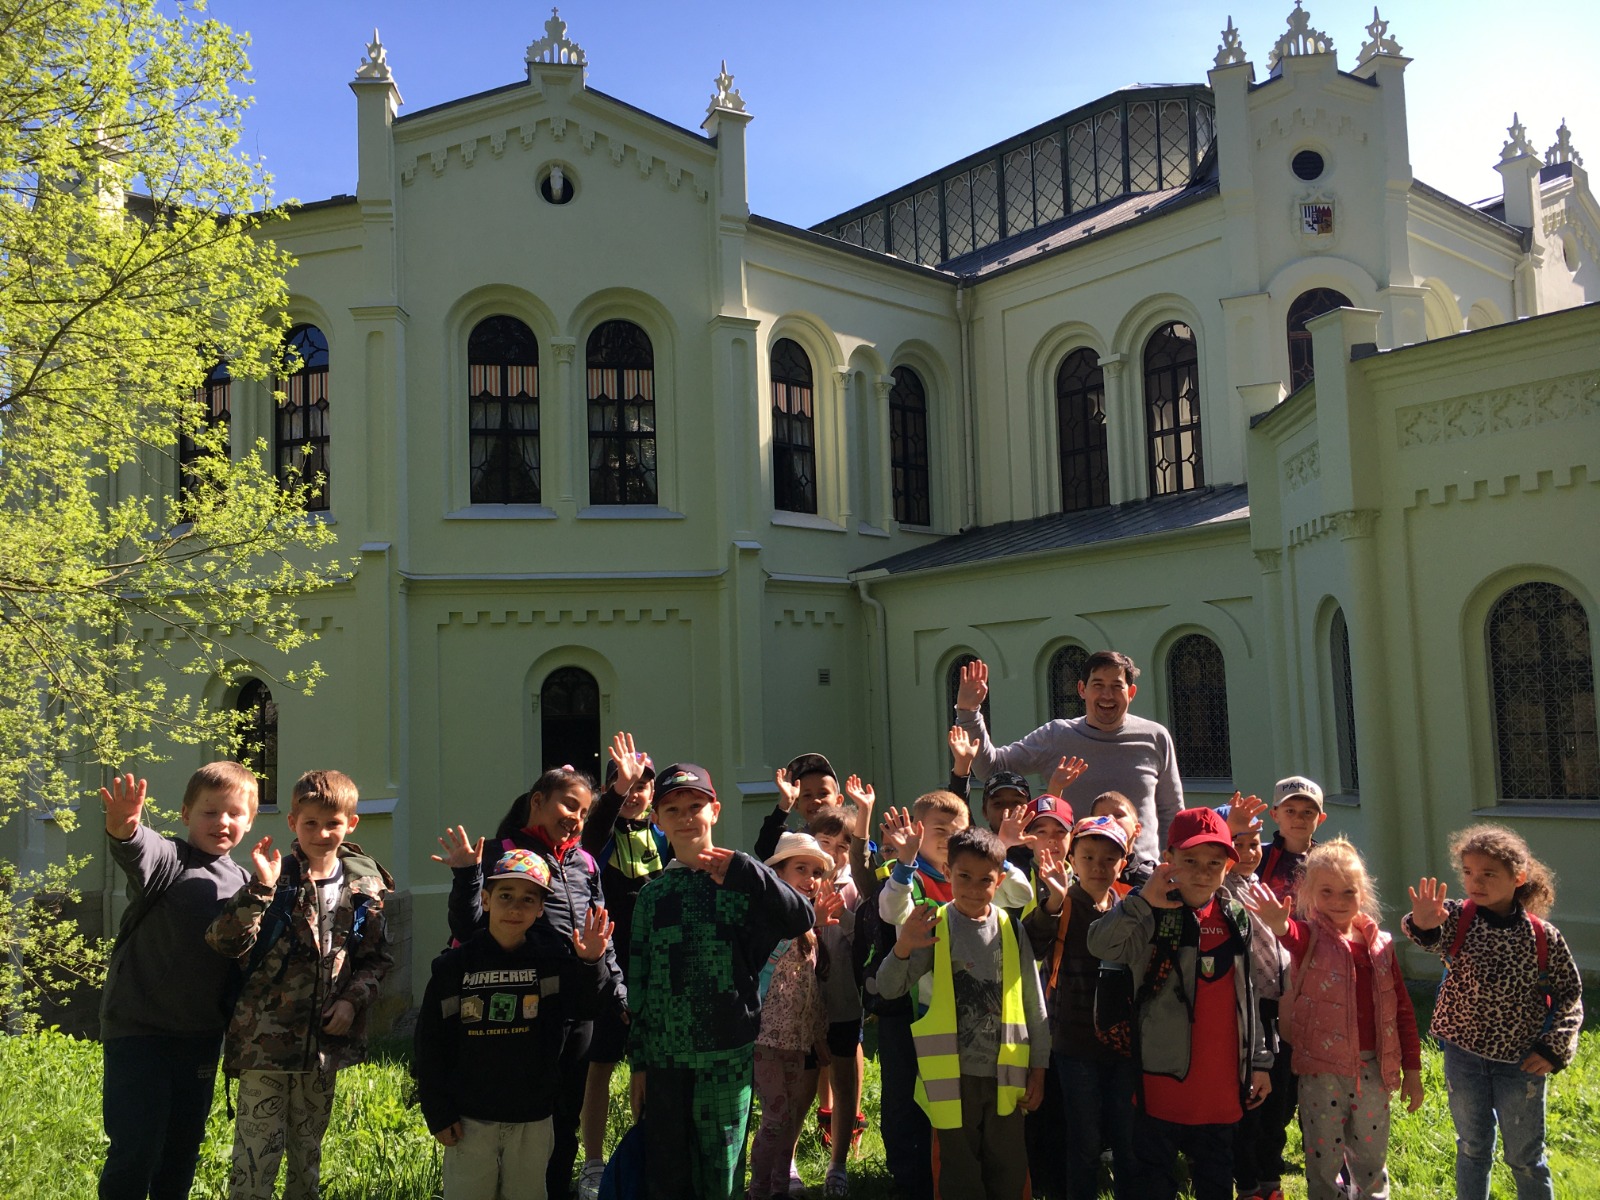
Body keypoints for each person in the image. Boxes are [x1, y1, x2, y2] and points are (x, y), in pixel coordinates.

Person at [438, 761, 628, 1199]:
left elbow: (601, 933)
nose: (576, 818)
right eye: (569, 805)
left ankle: (556, 1190)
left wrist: (616, 989)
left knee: (565, 1117)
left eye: (584, 812)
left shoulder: (585, 863)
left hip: (575, 1008)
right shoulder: (501, 852)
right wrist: (466, 876)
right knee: (519, 1116)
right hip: (519, 1010)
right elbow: (467, 929)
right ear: (537, 801)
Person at [627, 763, 815, 1200]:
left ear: (715, 810)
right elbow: (640, 983)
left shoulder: (742, 880)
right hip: (666, 1060)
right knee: (668, 1173)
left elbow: (800, 917)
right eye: (672, 810)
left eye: (695, 806)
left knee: (722, 1171)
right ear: (656, 820)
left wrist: (746, 870)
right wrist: (639, 1062)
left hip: (726, 1055)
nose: (685, 817)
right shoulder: (653, 896)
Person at [207, 769, 394, 1200]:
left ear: (351, 824)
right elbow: (223, 942)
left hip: (324, 1049)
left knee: (307, 1160)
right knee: (254, 1161)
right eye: (310, 823)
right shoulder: (276, 878)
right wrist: (260, 890)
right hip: (265, 1046)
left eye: (332, 823)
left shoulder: (365, 888)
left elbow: (377, 960)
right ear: (292, 822)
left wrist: (352, 1001)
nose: (322, 833)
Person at [1086, 806, 1272, 1200]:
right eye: (1190, 860)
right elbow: (1100, 944)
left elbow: (1251, 995)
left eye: (1214, 862)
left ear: (1228, 866)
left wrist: (1259, 1062)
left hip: (1220, 1090)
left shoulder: (1235, 916)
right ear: (1167, 858)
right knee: (1153, 1184)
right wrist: (1141, 901)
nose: (1203, 872)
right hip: (1159, 1086)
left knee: (1216, 1182)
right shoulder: (1149, 910)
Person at [414, 849, 616, 1200]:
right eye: (505, 895)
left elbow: (587, 1007)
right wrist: (438, 1110)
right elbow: (430, 1043)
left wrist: (591, 962)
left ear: (540, 909)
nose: (515, 908)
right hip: (469, 1119)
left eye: (528, 899)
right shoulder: (454, 968)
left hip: (533, 1118)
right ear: (486, 900)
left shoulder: (553, 960)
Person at [98, 765, 257, 1200]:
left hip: (200, 1037)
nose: (222, 822)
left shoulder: (245, 883)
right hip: (139, 1032)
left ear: (249, 822)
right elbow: (136, 848)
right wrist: (124, 826)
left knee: (182, 1151)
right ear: (186, 813)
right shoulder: (171, 858)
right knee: (135, 1150)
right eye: (210, 812)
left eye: (234, 813)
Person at [1404, 825, 1583, 1200]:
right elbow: (1430, 934)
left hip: (1521, 1062)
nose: (1476, 882)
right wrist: (1422, 923)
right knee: (1472, 1148)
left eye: (1488, 873)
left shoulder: (1542, 936)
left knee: (1526, 1157)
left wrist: (1553, 1048)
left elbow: (1570, 994)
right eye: (1469, 872)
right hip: (1463, 1057)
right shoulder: (1457, 917)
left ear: (1518, 878)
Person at [875, 827, 1050, 1200]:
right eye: (964, 876)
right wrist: (903, 945)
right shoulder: (936, 924)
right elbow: (889, 988)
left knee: (1009, 1170)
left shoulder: (1012, 930)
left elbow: (1034, 1004)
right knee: (958, 1173)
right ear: (947, 871)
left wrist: (1039, 1068)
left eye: (985, 879)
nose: (973, 888)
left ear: (999, 881)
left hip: (1008, 1077)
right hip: (952, 1080)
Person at [1246, 839, 1423, 1200]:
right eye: (1326, 891)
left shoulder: (1381, 945)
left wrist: (1413, 1070)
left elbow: (1402, 1008)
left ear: (1362, 893)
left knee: (1371, 1158)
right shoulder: (1309, 937)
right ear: (1308, 894)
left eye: (1348, 891)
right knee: (1323, 1158)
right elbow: (1291, 936)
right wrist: (1279, 924)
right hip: (1321, 1071)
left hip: (1373, 1069)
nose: (1338, 901)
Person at [952, 652, 1181, 879]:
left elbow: (1171, 811)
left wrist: (1173, 872)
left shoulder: (1155, 737)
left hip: (1142, 879)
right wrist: (968, 712)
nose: (1107, 695)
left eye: (1116, 686)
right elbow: (991, 768)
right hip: (1072, 883)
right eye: (1098, 685)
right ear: (1082, 689)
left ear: (1131, 692)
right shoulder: (1057, 736)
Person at [1024, 815, 1138, 1200]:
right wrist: (1053, 902)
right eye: (1088, 857)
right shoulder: (1065, 903)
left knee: (1127, 1139)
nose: (1098, 867)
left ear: (1123, 863)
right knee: (1084, 1142)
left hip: (1121, 1045)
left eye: (1109, 859)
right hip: (1074, 1046)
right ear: (1072, 858)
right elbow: (1031, 944)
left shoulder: (1126, 907)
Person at [574, 735, 664, 1199]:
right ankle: (593, 1162)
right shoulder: (601, 835)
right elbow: (591, 837)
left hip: (654, 969)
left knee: (647, 1067)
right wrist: (614, 794)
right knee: (601, 1064)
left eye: (642, 786)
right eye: (625, 785)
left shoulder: (663, 837)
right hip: (609, 969)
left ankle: (642, 1155)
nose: (634, 792)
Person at [747, 833, 843, 1200]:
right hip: (764, 1040)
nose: (811, 879)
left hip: (796, 1042)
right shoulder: (769, 918)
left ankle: (778, 1189)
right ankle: (758, 1190)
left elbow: (809, 989)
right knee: (775, 1118)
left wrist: (818, 1035)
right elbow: (765, 960)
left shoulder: (811, 930)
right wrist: (807, 921)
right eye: (800, 869)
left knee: (789, 1118)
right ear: (778, 875)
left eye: (817, 872)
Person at [1215, 795, 1290, 1200]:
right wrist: (1225, 830)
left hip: (1276, 1006)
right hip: (1245, 1007)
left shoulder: (1258, 885)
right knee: (1251, 1105)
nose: (1247, 853)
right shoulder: (1221, 887)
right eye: (1237, 844)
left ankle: (1270, 1182)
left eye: (1253, 844)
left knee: (1276, 1103)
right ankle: (1247, 1186)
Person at [754, 751, 845, 862]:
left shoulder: (850, 836)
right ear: (796, 804)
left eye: (823, 793)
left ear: (838, 801)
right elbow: (765, 849)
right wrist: (786, 803)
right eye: (807, 795)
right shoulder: (794, 841)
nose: (815, 801)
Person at [1258, 776, 1328, 902]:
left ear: (1320, 819)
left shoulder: (1327, 862)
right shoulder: (1257, 857)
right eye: (1290, 811)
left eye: (1308, 812)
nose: (1299, 819)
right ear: (1274, 815)